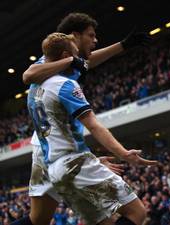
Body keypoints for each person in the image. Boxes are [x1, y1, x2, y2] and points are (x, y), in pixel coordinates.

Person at [12, 12, 149, 225]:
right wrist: (104, 157)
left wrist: (123, 45)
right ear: (74, 36)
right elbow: (28, 75)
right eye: (91, 35)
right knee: (133, 214)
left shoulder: (67, 63)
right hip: (51, 148)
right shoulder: (56, 68)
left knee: (41, 220)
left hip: (52, 150)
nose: (95, 41)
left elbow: (86, 61)